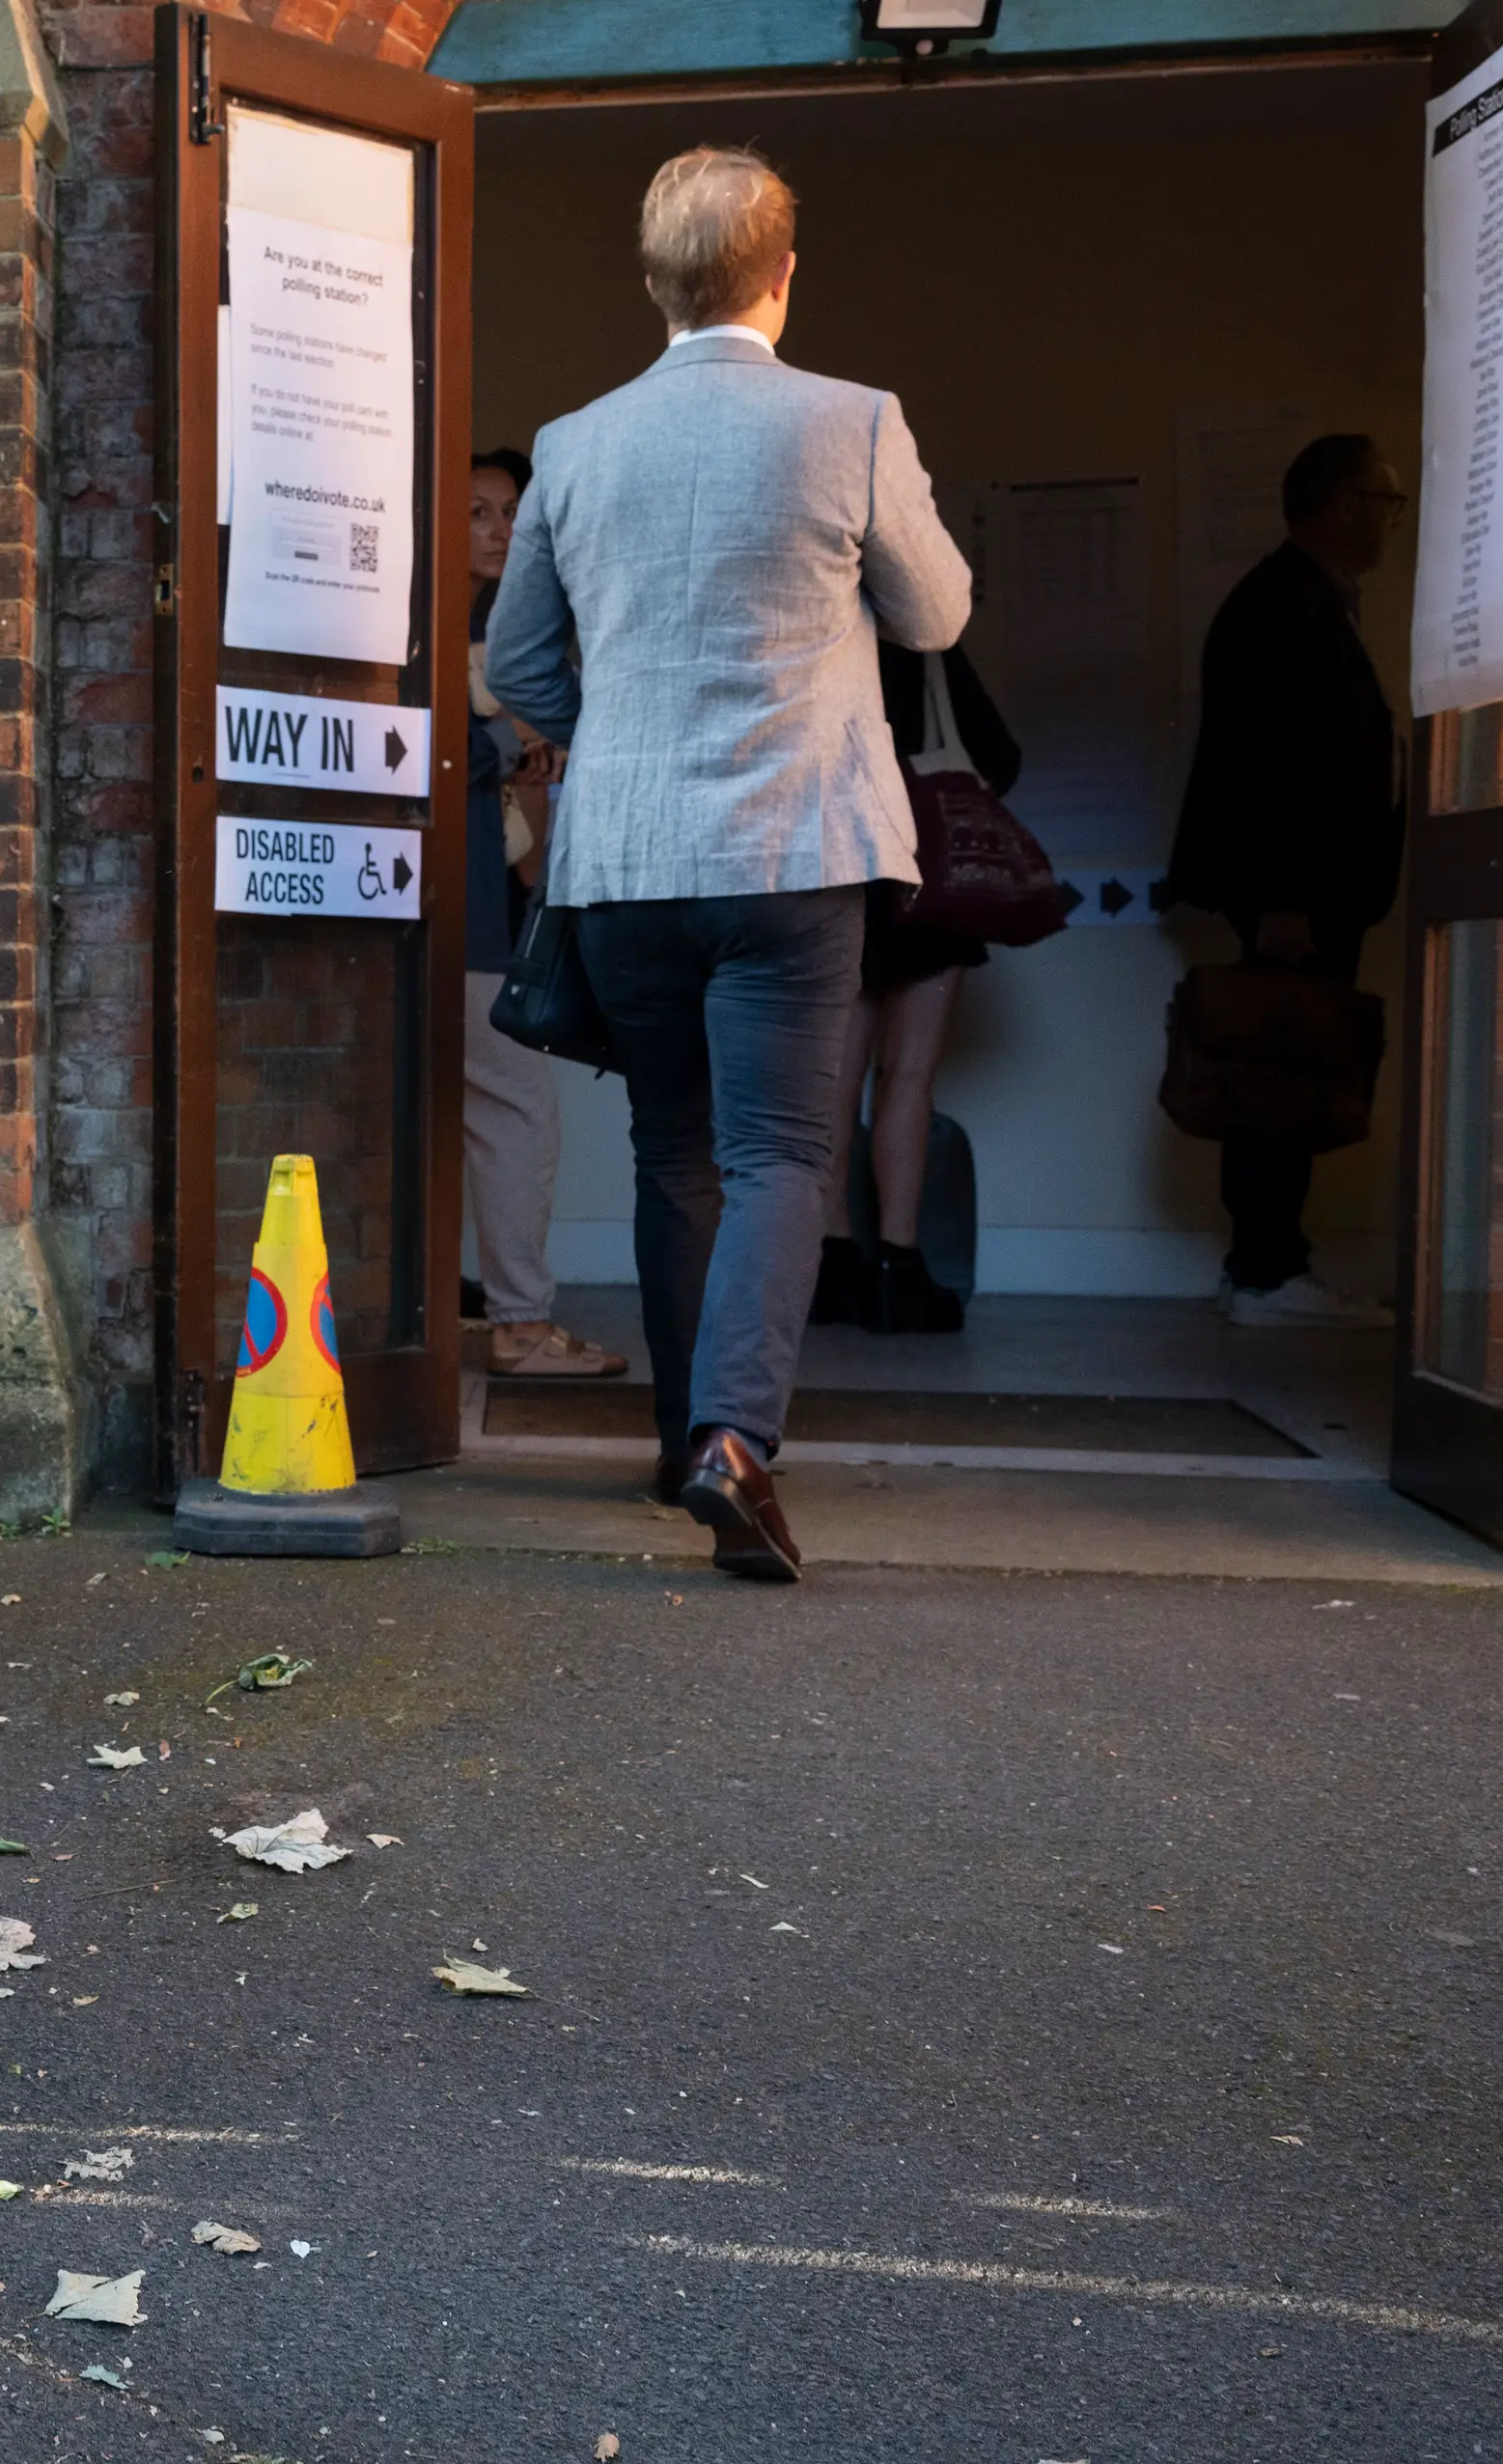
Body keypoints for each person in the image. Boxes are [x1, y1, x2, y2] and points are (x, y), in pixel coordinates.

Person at [486, 145, 970, 1583]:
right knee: (780, 1154)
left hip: (625, 856)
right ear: (783, 272)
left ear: (653, 282)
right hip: (794, 843)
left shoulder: (572, 445)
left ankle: (675, 1441)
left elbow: (518, 662)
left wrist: (621, 733)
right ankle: (735, 1443)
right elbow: (937, 614)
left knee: (675, 1151)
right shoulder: (852, 423)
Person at [1164, 432, 1406, 1329]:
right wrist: (1284, 902)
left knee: (1290, 1065)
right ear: (1343, 506)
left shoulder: (1302, 601)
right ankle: (1267, 1270)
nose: (1391, 521)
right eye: (1386, 501)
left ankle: (1272, 1263)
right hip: (1293, 898)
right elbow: (1267, 768)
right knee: (1276, 1070)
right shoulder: (1285, 606)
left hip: (1304, 892)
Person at [464, 447, 624, 1379]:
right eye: (478, 512)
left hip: (503, 896)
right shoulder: (415, 626)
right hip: (452, 907)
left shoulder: (519, 628)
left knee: (492, 1113)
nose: (500, 530)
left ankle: (493, 1318)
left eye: (511, 511)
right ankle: (520, 1323)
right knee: (520, 1110)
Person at [812, 639, 1023, 1334]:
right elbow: (998, 755)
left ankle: (832, 1261)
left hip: (840, 874)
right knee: (907, 1080)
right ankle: (897, 1269)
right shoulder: (924, 639)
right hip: (926, 878)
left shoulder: (816, 632)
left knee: (832, 1083)